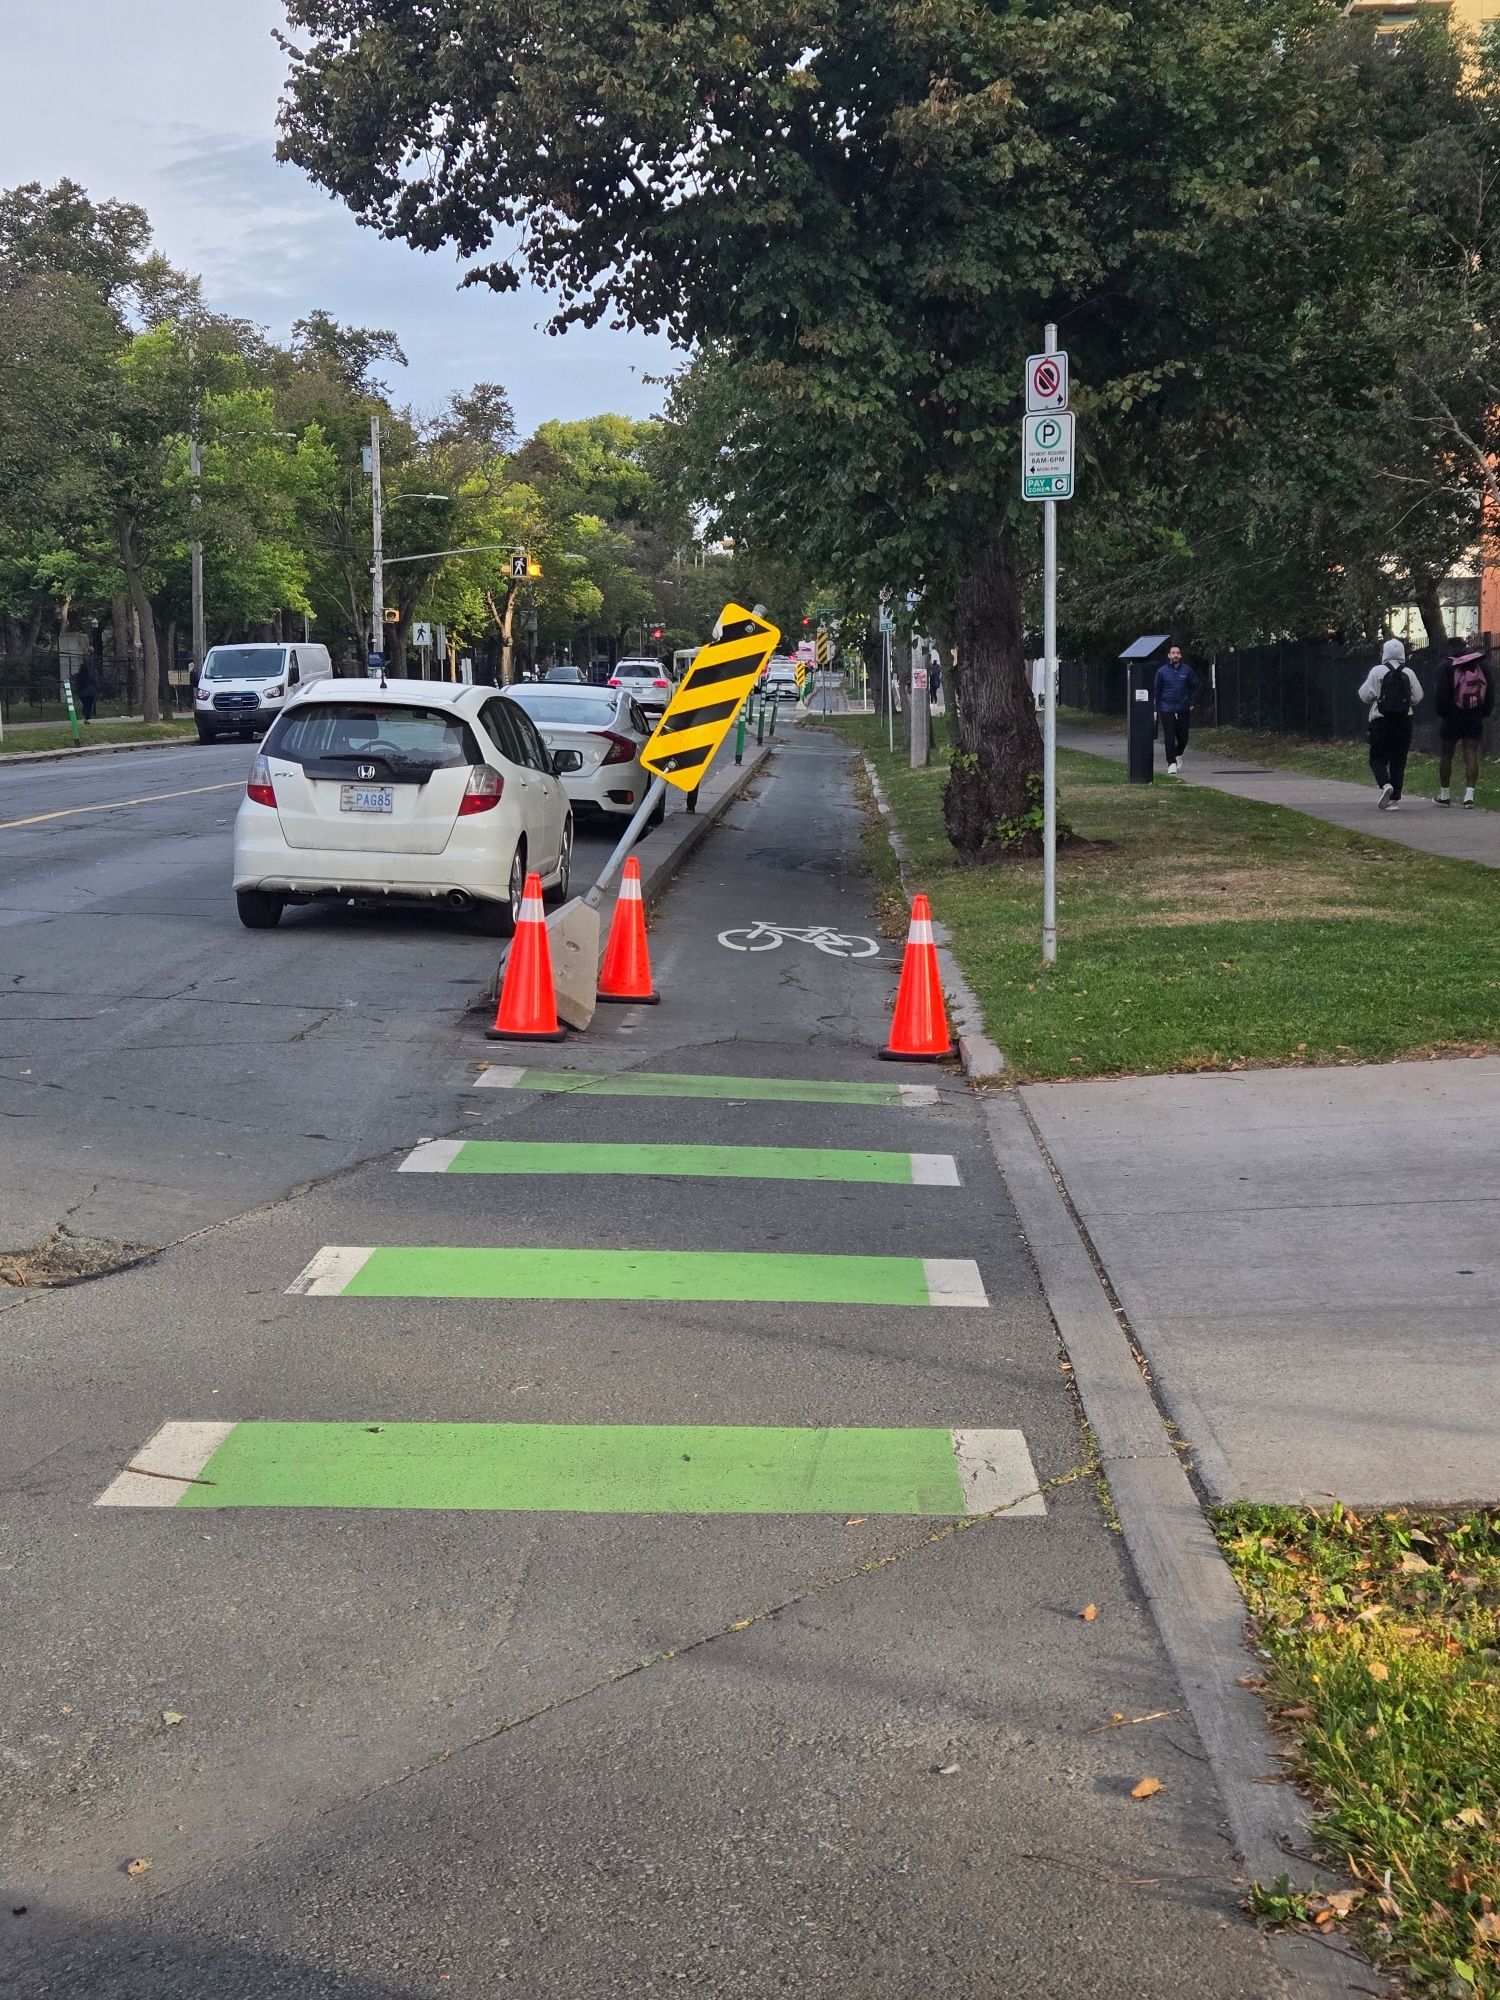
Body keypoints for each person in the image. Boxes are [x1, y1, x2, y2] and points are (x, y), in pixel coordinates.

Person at [1358, 638, 1423, 810]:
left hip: (1381, 721)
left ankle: (1385, 784)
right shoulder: (1408, 672)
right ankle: (1394, 800)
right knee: (1399, 759)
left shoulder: (1377, 671)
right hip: (1404, 721)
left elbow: (1364, 695)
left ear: (1384, 653)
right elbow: (1417, 697)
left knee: (1377, 758)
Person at [1433, 633, 1493, 809]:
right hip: (1474, 715)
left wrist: (1443, 713)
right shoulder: (1480, 665)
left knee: (1446, 755)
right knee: (1471, 753)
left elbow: (1440, 695)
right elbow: (1490, 691)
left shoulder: (1445, 666)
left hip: (1451, 717)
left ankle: (1444, 796)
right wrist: (1484, 712)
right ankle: (1469, 797)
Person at [1152, 644, 1198, 774]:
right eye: (1173, 653)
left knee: (1183, 737)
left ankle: (1178, 754)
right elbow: (1157, 691)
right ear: (1169, 655)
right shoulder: (1162, 672)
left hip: (1183, 707)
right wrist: (1156, 709)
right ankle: (1171, 763)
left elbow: (1195, 687)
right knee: (1169, 736)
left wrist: (1191, 702)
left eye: (1178, 653)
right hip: (1167, 708)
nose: (1175, 655)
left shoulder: (1187, 671)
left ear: (1181, 655)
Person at [72, 655, 100, 723]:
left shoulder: (81, 675)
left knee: (86, 704)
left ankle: (86, 716)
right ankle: (87, 717)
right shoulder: (91, 672)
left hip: (84, 692)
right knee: (89, 704)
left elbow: (78, 682)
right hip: (90, 692)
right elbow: (94, 681)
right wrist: (97, 688)